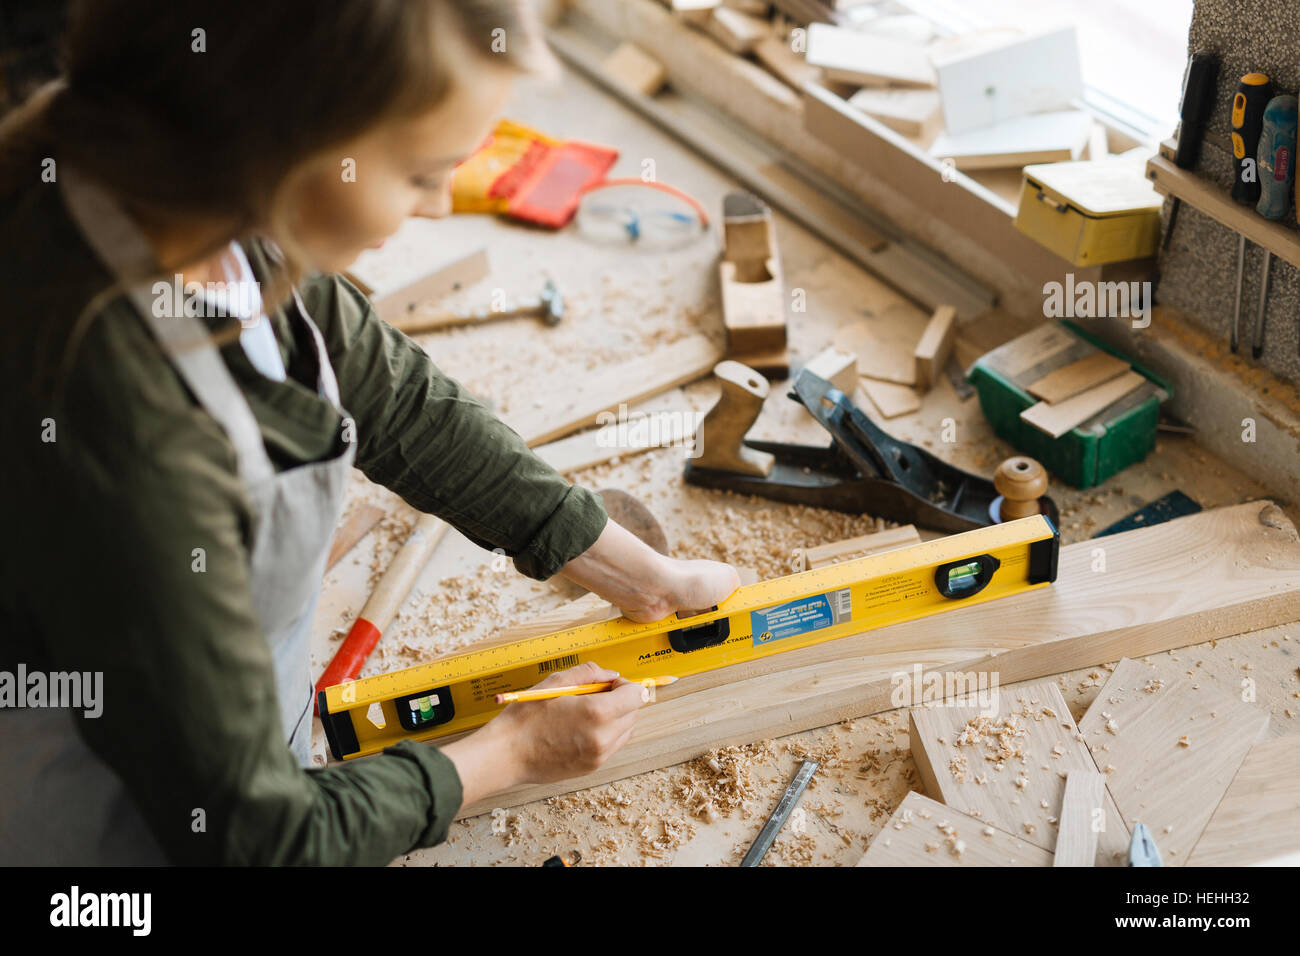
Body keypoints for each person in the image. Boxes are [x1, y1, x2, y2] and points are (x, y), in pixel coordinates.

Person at [0, 0, 739, 865]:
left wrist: (633, 569)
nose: (435, 209)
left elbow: (393, 398)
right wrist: (512, 750)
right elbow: (260, 835)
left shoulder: (195, 185)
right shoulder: (123, 420)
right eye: (423, 173)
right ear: (281, 145)